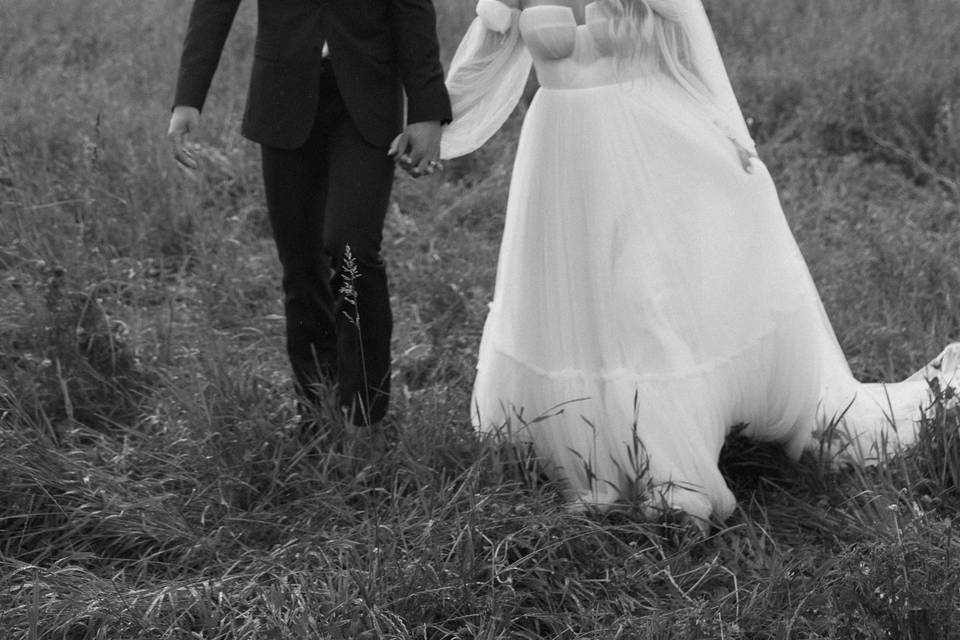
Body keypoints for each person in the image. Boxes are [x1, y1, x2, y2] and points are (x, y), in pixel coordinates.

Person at [440, 0, 960, 523]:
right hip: (561, 151)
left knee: (644, 297)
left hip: (647, 146)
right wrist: (422, 126)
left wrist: (734, 141)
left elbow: (694, 57)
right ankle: (587, 436)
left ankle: (670, 470)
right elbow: (480, 65)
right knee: (574, 295)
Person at [167, 0, 452, 431]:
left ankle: (365, 414)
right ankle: (317, 409)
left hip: (367, 100)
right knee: (300, 263)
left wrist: (427, 109)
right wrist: (188, 99)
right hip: (283, 96)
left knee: (352, 247)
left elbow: (412, 9)